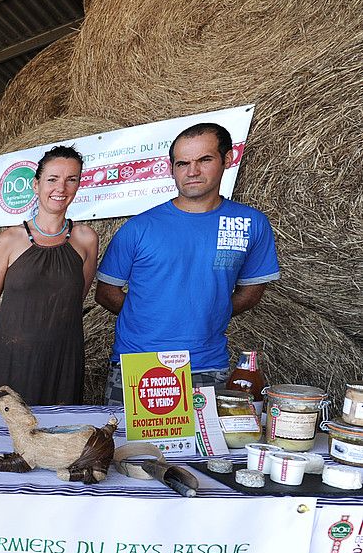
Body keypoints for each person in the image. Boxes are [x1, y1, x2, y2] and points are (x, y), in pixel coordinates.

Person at [94, 123, 280, 404]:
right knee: (128, 447)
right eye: (183, 163)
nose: (192, 171)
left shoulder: (250, 223)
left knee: (202, 447)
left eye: (204, 160)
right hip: (137, 364)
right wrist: (150, 315)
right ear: (172, 169)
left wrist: (208, 313)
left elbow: (252, 291)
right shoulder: (138, 227)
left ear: (227, 159)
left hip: (207, 365)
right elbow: (105, 293)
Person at [0, 146, 99, 405]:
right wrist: (11, 344)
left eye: (71, 180)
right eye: (52, 179)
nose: (61, 188)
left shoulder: (86, 239)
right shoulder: (10, 239)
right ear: (36, 185)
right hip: (12, 361)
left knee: (57, 437)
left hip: (62, 361)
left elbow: (75, 298)